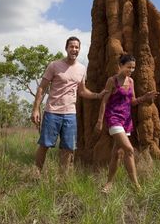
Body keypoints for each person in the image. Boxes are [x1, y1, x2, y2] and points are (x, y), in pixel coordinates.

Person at [31, 36, 106, 176]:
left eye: (77, 47)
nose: (74, 49)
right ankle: (36, 173)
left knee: (68, 148)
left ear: (79, 49)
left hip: (70, 114)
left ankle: (63, 178)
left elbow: (82, 91)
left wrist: (97, 95)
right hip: (52, 112)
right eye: (71, 46)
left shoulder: (82, 69)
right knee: (45, 145)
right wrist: (36, 109)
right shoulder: (54, 65)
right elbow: (42, 88)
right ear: (66, 48)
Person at [95, 54, 159, 192]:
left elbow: (133, 101)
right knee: (129, 150)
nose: (131, 70)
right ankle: (136, 186)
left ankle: (108, 184)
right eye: (128, 67)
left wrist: (145, 97)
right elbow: (104, 101)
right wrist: (100, 121)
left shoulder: (131, 81)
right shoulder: (112, 81)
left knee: (117, 153)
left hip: (126, 120)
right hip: (114, 119)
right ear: (120, 65)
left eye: (133, 68)